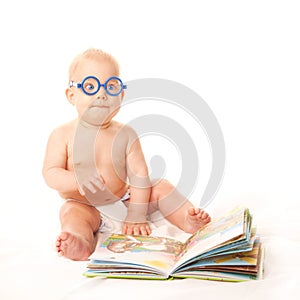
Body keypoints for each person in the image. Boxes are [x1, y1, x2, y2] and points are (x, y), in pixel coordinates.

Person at [42, 48, 211, 261]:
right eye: (90, 86)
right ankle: (80, 240)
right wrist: (77, 179)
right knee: (70, 213)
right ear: (71, 95)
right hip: (85, 205)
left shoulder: (125, 134)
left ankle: (188, 220)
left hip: (124, 201)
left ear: (120, 95)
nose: (101, 94)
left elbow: (140, 174)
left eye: (110, 87)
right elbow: (50, 173)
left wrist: (137, 214)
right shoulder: (62, 134)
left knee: (160, 186)